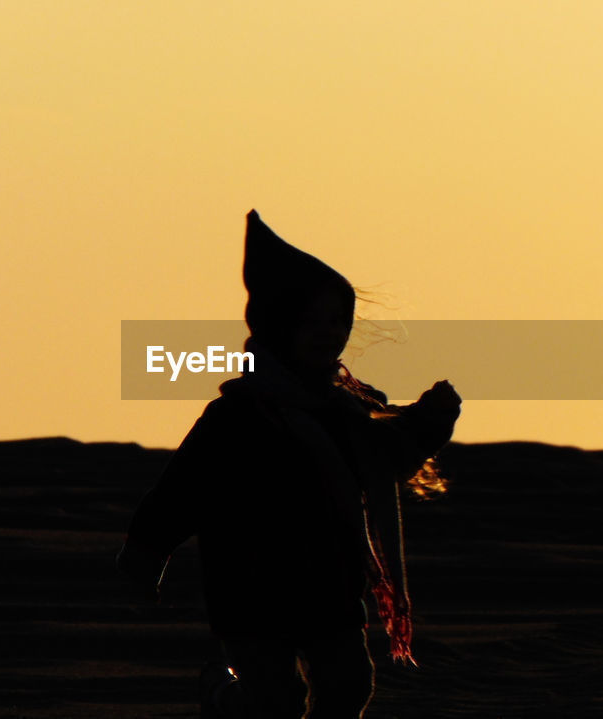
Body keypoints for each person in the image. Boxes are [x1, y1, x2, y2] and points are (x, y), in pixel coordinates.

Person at [117, 210, 461, 718]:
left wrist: (429, 423)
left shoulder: (344, 414)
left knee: (349, 687)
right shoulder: (236, 416)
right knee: (275, 701)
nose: (329, 333)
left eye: (337, 320)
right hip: (250, 594)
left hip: (330, 590)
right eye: (311, 320)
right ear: (279, 325)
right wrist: (145, 557)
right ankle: (222, 697)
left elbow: (383, 464)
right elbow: (180, 492)